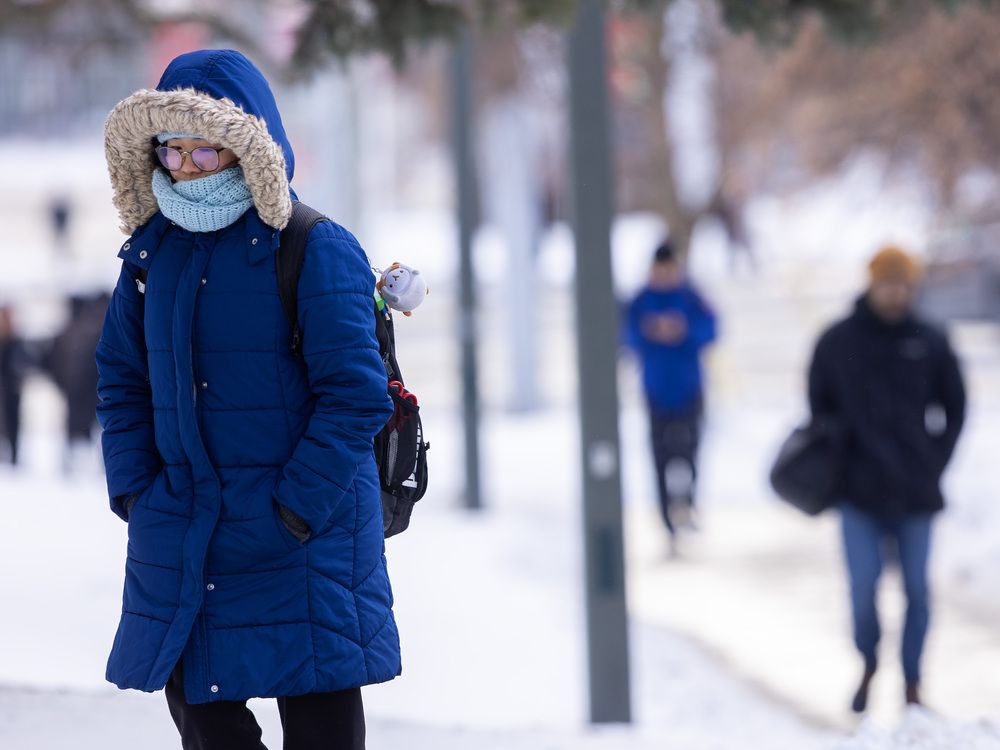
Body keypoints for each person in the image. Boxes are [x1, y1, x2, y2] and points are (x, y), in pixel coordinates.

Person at [97, 50, 398, 750]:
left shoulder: (314, 246)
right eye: (171, 149)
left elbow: (355, 395)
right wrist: (137, 492)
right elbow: (121, 379)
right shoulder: (151, 255)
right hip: (187, 531)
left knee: (319, 719)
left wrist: (293, 511)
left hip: (300, 538)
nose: (185, 166)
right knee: (204, 720)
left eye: (204, 148)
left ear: (249, 145)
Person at [808, 246, 966, 713]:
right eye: (887, 284)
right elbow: (818, 406)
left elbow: (955, 407)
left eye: (902, 285)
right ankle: (868, 662)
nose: (895, 293)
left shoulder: (930, 339)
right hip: (857, 490)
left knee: (917, 589)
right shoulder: (839, 340)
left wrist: (934, 460)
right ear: (871, 284)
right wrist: (841, 454)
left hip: (916, 490)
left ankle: (913, 681)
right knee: (863, 586)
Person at [625, 241, 717, 544]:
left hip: (689, 388)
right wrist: (650, 330)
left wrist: (682, 329)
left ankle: (688, 504)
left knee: (690, 451)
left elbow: (711, 329)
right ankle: (666, 517)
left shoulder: (690, 297)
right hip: (656, 390)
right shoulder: (640, 301)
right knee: (660, 456)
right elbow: (627, 336)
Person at [0, 305, 28, 465]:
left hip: (11, 390)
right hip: (4, 388)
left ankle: (13, 455)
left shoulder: (15, 342)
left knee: (12, 423)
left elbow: (23, 363)